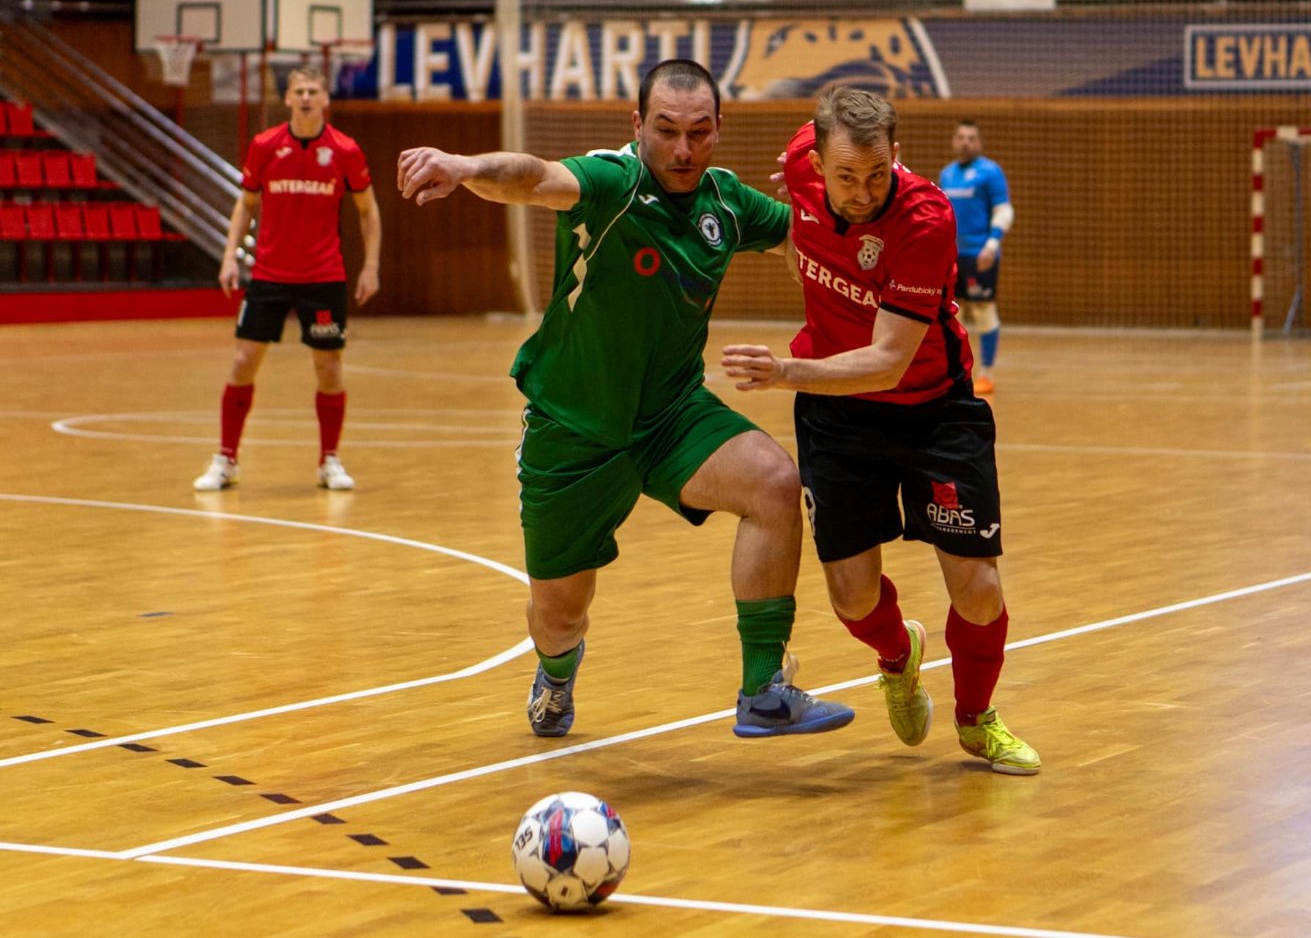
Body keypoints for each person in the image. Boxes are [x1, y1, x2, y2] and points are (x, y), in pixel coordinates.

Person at [394, 59, 853, 741]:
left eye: (698, 132)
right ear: (637, 124)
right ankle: (556, 673)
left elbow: (805, 235)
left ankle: (763, 690)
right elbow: (533, 176)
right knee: (560, 615)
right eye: (666, 130)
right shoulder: (612, 182)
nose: (683, 149)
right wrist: (464, 167)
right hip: (572, 429)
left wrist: (839, 202)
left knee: (774, 483)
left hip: (670, 417)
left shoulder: (725, 202)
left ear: (719, 129)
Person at [722, 88, 1039, 774]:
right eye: (845, 176)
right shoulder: (801, 158)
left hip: (932, 409)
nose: (863, 193)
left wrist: (784, 372)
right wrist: (802, 225)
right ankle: (899, 657)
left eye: (876, 173)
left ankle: (976, 720)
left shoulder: (925, 218)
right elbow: (800, 209)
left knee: (978, 587)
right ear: (816, 161)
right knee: (852, 596)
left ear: (897, 154)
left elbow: (889, 361)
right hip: (837, 417)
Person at [193, 66, 381, 492]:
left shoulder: (345, 150)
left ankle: (329, 460)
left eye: (314, 90)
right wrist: (229, 256)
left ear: (326, 99)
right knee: (243, 362)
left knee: (328, 368)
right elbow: (246, 204)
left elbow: (368, 210)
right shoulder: (265, 145)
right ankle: (226, 459)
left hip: (323, 276)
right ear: (289, 99)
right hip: (269, 274)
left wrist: (370, 266)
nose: (307, 97)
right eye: (300, 91)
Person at [937, 120, 1012, 397]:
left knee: (982, 310)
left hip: (980, 254)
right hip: (952, 256)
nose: (965, 142)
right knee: (951, 312)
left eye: (971, 138)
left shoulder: (990, 172)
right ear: (953, 141)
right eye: (961, 137)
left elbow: (1004, 210)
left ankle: (986, 373)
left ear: (979, 142)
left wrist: (992, 244)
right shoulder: (947, 174)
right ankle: (955, 372)